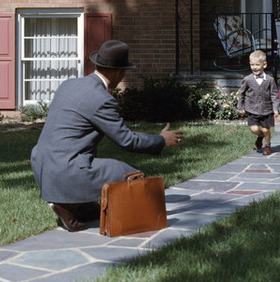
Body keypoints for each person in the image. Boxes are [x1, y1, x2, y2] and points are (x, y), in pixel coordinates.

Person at [30, 40, 184, 232]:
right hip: (67, 169)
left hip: (42, 165)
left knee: (95, 164)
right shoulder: (102, 99)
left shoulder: (68, 85)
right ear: (119, 72)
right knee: (134, 177)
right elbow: (126, 141)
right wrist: (161, 140)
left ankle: (80, 206)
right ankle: (64, 205)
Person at [237, 50, 280, 156]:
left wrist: (275, 108)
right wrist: (240, 106)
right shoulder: (247, 79)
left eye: (257, 65)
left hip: (266, 109)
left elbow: (274, 95)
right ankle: (260, 136)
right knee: (254, 129)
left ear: (264, 64)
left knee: (266, 130)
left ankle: (267, 145)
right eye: (252, 65)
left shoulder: (270, 80)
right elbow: (241, 93)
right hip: (252, 109)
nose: (254, 67)